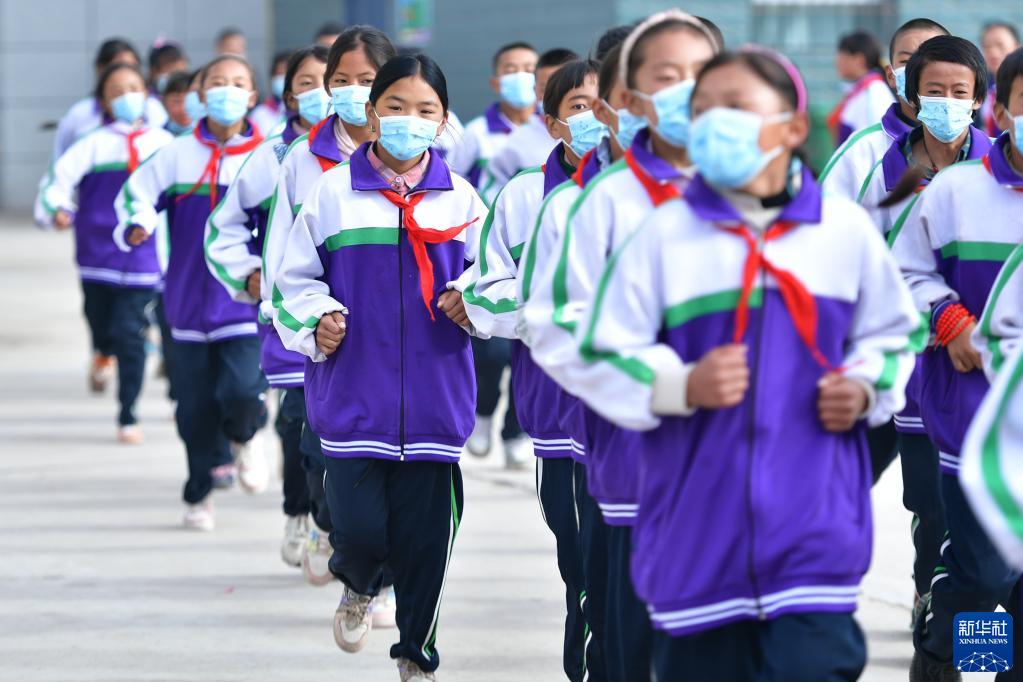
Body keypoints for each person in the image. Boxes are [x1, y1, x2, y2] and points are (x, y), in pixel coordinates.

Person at [575, 46, 920, 680]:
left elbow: (896, 334)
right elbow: (599, 351)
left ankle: (963, 653)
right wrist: (680, 384)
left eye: (735, 107)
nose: (715, 123)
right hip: (696, 536)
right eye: (703, 110)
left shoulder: (842, 231)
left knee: (960, 579)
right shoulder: (664, 235)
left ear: (792, 127)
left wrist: (866, 386)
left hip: (815, 529)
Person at [274, 52, 485, 682]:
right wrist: (317, 318)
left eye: (425, 110)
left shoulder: (463, 199)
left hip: (436, 403)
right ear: (371, 113)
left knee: (427, 545)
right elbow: (291, 282)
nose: (408, 120)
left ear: (442, 122)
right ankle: (360, 582)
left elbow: (497, 278)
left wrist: (471, 300)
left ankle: (417, 654)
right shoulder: (332, 194)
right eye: (395, 106)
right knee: (361, 532)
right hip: (351, 401)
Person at [524, 13, 720, 681]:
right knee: (627, 642)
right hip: (635, 467)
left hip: (738, 473)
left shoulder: (772, 196)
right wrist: (664, 385)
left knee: (982, 573)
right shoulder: (589, 204)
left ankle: (968, 656)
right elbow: (554, 323)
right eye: (666, 77)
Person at [463, 58, 607, 681]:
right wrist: (544, 316)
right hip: (554, 405)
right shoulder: (525, 194)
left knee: (618, 554)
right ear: (552, 124)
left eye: (602, 103)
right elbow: (485, 288)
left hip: (628, 406)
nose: (593, 117)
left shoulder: (646, 192)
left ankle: (602, 661)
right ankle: (589, 646)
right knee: (576, 549)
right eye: (578, 106)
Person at [890, 44, 1023, 680]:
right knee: (985, 573)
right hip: (973, 412)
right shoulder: (956, 192)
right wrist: (948, 320)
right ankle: (946, 652)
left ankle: (995, 670)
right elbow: (903, 274)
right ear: (1003, 110)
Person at [265, 24, 396, 590]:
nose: (353, 91)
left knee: (396, 473)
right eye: (341, 79)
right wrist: (302, 319)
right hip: (326, 339)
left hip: (396, 342)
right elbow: (282, 253)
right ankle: (325, 523)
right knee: (319, 451)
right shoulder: (302, 158)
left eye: (367, 79)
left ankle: (379, 586)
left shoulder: (424, 151)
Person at [114, 54, 267, 531]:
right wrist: (139, 223)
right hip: (185, 303)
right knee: (194, 407)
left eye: (237, 82)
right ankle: (200, 492)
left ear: (252, 96)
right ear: (200, 96)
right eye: (216, 82)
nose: (226, 90)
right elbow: (137, 194)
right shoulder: (177, 154)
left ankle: (245, 435)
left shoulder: (269, 157)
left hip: (243, 300)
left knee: (242, 391)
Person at [204, 45, 330, 570]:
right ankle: (302, 513)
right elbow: (225, 226)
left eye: (335, 81)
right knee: (300, 425)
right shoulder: (275, 157)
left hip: (356, 324)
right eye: (307, 83)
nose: (324, 93)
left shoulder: (375, 159)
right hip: (289, 321)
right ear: (288, 95)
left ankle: (331, 525)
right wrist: (249, 273)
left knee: (340, 436)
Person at [35, 63, 174, 443]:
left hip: (144, 256)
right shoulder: (92, 143)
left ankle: (128, 413)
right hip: (96, 255)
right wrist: (57, 209)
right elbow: (56, 182)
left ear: (146, 94)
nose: (128, 96)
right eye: (117, 91)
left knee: (131, 334)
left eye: (134, 88)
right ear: (104, 103)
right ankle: (101, 351)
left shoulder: (164, 144)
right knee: (100, 322)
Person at [819, 18, 949, 203]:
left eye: (934, 59)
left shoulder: (983, 152)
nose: (919, 70)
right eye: (907, 61)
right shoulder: (862, 151)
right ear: (891, 74)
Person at [479, 48, 579, 204]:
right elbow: (493, 187)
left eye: (565, 89)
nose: (556, 97)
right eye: (545, 89)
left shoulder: (599, 133)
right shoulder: (519, 140)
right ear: (534, 89)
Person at [52, 38, 168, 160]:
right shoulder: (82, 119)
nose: (124, 73)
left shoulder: (155, 113)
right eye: (117, 66)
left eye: (132, 66)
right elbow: (62, 158)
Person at [447, 41, 539, 188]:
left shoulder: (553, 130)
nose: (520, 77)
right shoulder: (476, 132)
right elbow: (451, 178)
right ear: (495, 84)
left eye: (529, 70)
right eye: (511, 71)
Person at [829, 30, 894, 147]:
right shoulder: (861, 90)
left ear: (859, 60)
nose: (837, 61)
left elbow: (875, 145)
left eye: (842, 55)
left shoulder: (874, 93)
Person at [980, 22, 1020, 137]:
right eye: (987, 47)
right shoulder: (980, 87)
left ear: (1017, 47)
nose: (993, 53)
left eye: (1000, 46)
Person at [251, 50, 292, 134]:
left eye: (287, 74)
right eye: (279, 74)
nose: (283, 79)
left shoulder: (306, 113)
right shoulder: (259, 113)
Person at [161, 71, 194, 135]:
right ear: (164, 102)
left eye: (190, 101)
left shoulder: (212, 135)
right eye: (176, 101)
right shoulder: (157, 137)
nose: (183, 109)